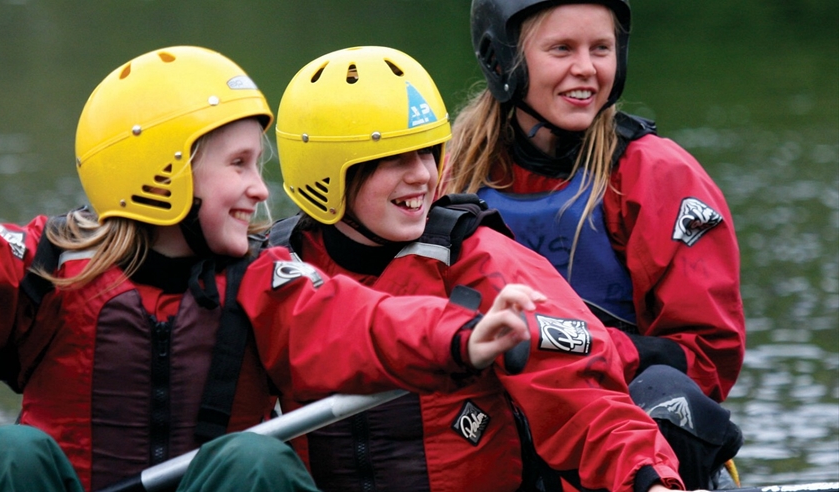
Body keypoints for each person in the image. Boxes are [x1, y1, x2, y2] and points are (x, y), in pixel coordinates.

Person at [0, 46, 543, 492]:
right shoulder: (53, 265)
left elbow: (362, 323)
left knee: (252, 462)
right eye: (238, 165)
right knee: (9, 454)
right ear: (161, 172)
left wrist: (462, 335)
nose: (261, 191)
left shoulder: (265, 278)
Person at [271, 45, 691, 492]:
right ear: (325, 171)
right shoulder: (276, 273)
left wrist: (650, 481)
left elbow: (583, 397)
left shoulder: (482, 259)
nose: (423, 176)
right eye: (395, 159)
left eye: (429, 152)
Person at [439, 0, 746, 488]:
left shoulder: (658, 174)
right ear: (503, 60)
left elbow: (709, 355)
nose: (586, 68)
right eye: (561, 48)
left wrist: (569, 352)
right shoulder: (444, 176)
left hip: (622, 425)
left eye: (600, 48)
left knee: (669, 392)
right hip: (492, 425)